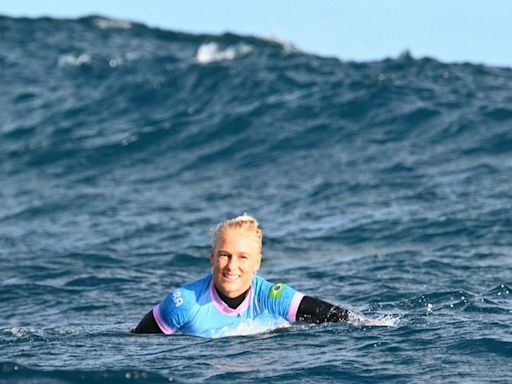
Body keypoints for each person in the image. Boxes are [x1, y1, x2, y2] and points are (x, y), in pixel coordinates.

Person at [132, 214, 350, 337]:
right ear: (211, 257)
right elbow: (138, 345)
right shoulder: (183, 303)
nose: (231, 266)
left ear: (257, 262)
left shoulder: (273, 298)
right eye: (224, 255)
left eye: (243, 257)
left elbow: (346, 321)